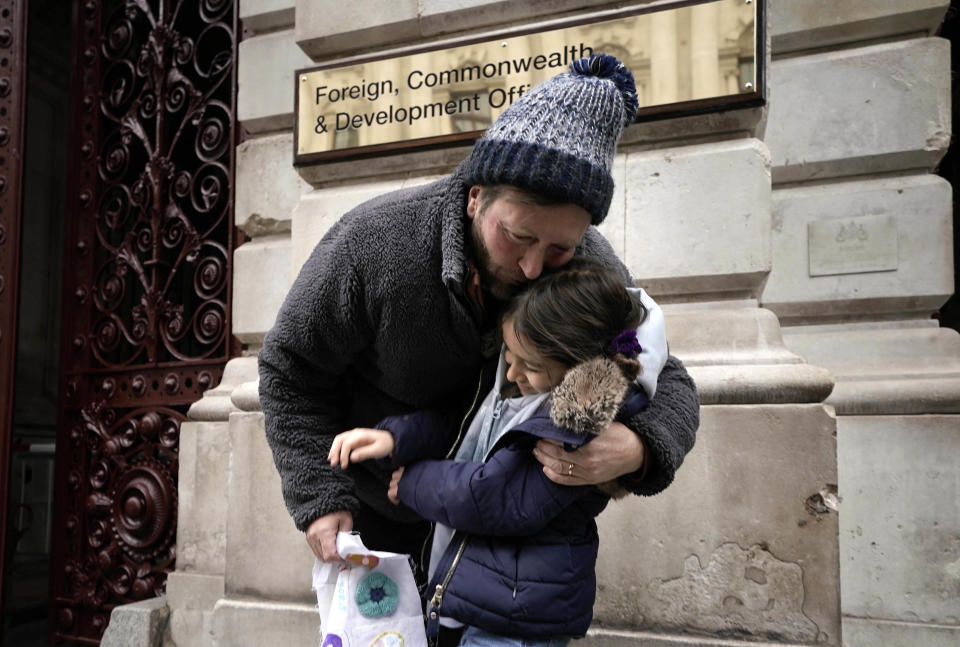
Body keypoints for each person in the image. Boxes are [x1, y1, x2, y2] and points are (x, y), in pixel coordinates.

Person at [258, 54, 699, 596]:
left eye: (559, 247)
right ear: (475, 198)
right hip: (377, 513)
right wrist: (319, 499)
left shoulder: (588, 262)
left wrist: (638, 447)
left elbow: (669, 380)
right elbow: (289, 370)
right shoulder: (373, 242)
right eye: (516, 236)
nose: (534, 267)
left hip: (498, 550)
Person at [327, 259, 660, 646]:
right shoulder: (520, 387)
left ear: (575, 365)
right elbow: (465, 425)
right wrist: (396, 439)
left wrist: (414, 481)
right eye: (509, 356)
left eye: (531, 366)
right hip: (478, 599)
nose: (514, 373)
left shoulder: (576, 426)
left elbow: (497, 497)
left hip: (518, 618)